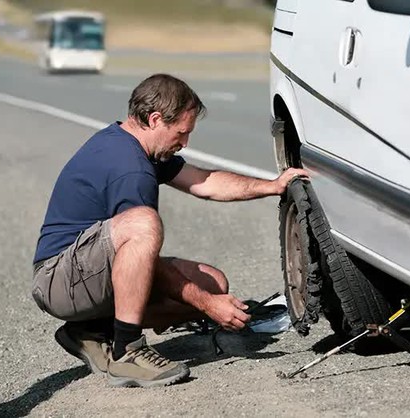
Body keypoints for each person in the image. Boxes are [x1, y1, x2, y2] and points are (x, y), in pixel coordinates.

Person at [31, 73, 308, 388]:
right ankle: (127, 351)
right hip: (58, 279)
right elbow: (144, 253)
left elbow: (206, 182)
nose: (185, 143)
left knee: (214, 283)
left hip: (85, 273)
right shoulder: (129, 167)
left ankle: (90, 330)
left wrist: (272, 186)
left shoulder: (136, 146)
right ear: (155, 119)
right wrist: (205, 304)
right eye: (181, 133)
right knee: (145, 224)